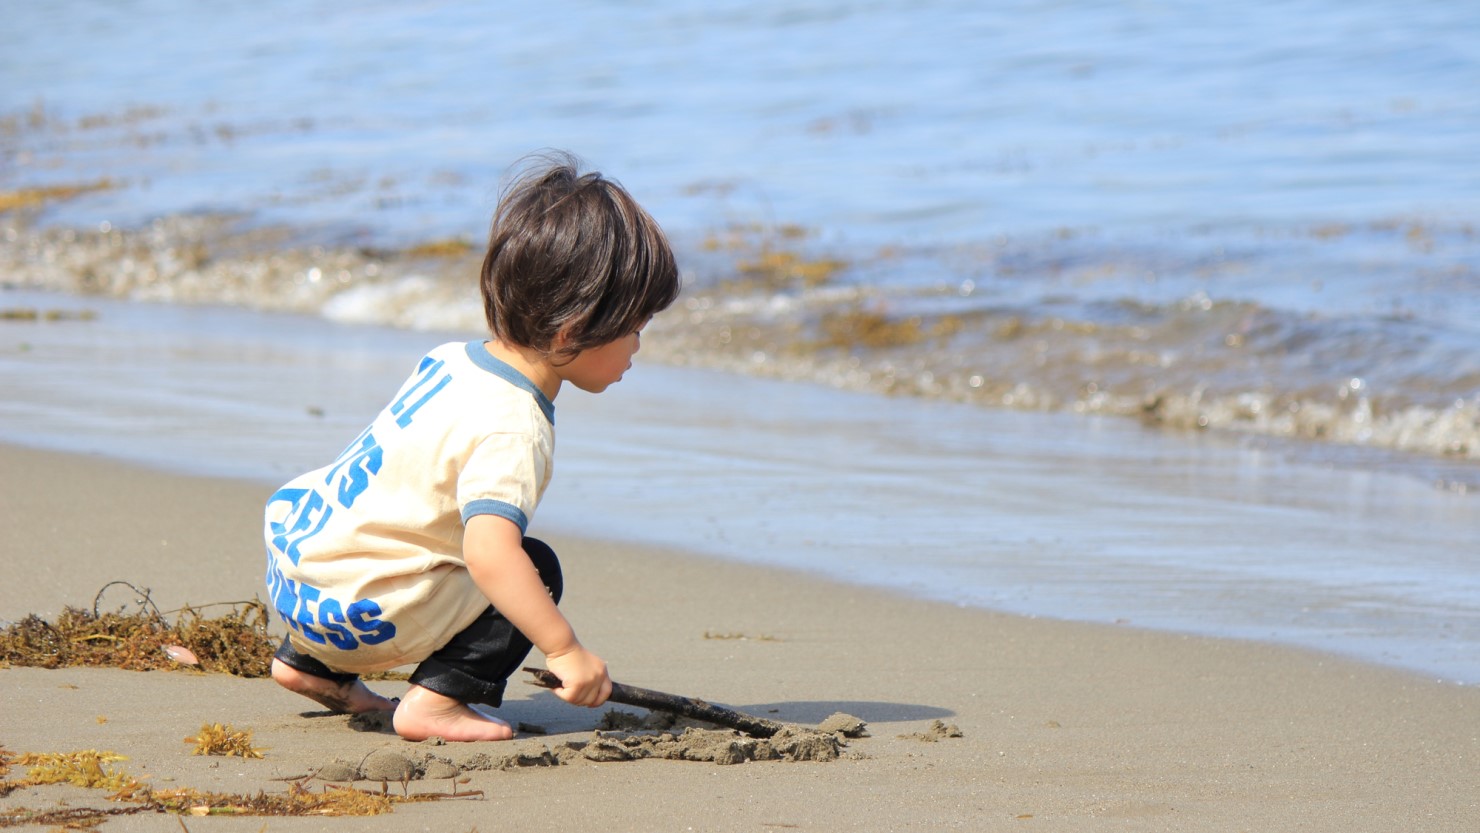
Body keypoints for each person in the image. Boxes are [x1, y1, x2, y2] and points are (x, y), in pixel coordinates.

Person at [262, 151, 680, 742]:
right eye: (635, 327)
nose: (639, 345)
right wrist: (565, 650)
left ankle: (307, 666)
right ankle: (436, 703)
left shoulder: (450, 360)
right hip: (364, 615)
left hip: (304, 588)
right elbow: (489, 554)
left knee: (396, 523)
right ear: (572, 330)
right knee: (531, 567)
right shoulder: (516, 425)